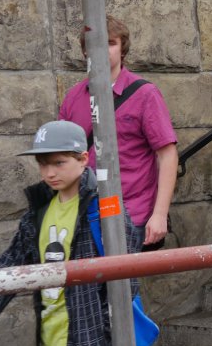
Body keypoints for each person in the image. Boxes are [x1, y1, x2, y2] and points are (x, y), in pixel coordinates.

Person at [0, 120, 140, 346]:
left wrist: (101, 331)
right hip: (52, 340)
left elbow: (129, 272)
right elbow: (10, 266)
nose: (49, 173)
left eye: (59, 163)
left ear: (83, 159)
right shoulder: (38, 211)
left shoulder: (103, 205)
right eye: (42, 164)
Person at [59, 15, 177, 253]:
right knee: (90, 288)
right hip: (86, 214)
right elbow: (63, 156)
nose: (102, 50)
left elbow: (168, 155)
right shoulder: (73, 97)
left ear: (122, 49)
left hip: (132, 213)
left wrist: (160, 214)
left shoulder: (144, 94)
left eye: (110, 43)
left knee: (125, 287)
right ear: (84, 51)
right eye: (94, 44)